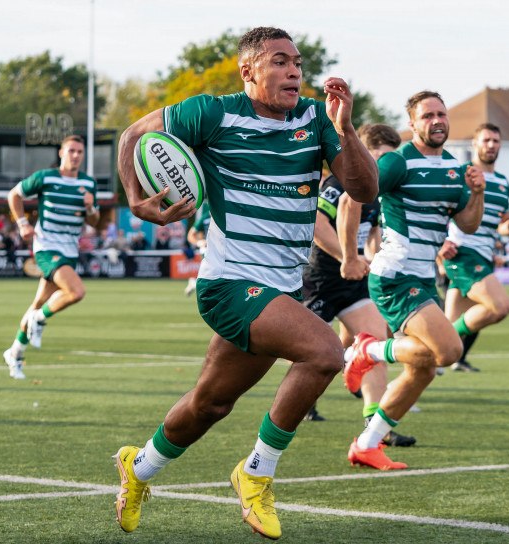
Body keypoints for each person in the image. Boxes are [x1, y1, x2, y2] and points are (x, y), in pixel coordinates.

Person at [112, 27, 377, 540]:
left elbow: (363, 188)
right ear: (248, 70)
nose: (294, 71)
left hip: (280, 291)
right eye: (280, 61)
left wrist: (344, 130)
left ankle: (138, 469)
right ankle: (256, 472)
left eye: (298, 62)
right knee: (325, 352)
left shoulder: (317, 120)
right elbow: (132, 137)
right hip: (229, 284)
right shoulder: (211, 112)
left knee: (209, 404)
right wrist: (134, 196)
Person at [341, 90, 485, 470]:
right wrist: (351, 255)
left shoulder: (455, 168)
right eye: (428, 116)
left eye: (441, 114)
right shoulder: (397, 161)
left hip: (425, 279)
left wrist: (478, 193)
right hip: (395, 274)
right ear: (413, 124)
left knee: (423, 369)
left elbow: (467, 224)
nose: (437, 121)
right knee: (449, 352)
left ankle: (367, 444)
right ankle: (367, 351)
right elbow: (354, 198)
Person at [301, 123, 415, 445]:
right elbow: (316, 225)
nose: (386, 165)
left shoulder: (377, 188)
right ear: (364, 151)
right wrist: (346, 257)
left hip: (354, 279)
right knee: (314, 352)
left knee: (374, 340)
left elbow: (373, 232)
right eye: (381, 156)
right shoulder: (339, 182)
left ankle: (375, 427)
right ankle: (304, 398)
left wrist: (373, 257)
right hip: (320, 278)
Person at [438, 123, 509, 372]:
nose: (491, 145)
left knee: (444, 344)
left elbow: (502, 225)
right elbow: (438, 212)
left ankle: (407, 367)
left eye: (496, 141)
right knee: (500, 307)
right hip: (462, 253)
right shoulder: (461, 174)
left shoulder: (503, 183)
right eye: (486, 140)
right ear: (474, 144)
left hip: (483, 254)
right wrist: (441, 242)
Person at [3, 135, 100, 379]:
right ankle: (39, 319)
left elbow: (94, 222)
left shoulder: (88, 183)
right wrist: (23, 224)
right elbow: (14, 195)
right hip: (47, 247)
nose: (76, 155)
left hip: (70, 249)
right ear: (61, 153)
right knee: (76, 292)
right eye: (71, 151)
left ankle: (15, 352)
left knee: (37, 302)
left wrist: (90, 208)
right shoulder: (45, 177)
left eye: (80, 151)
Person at [183, 202, 210, 296]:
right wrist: (200, 242)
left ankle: (194, 282)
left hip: (222, 249)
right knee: (209, 275)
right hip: (208, 250)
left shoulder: (224, 216)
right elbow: (190, 235)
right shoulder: (205, 218)